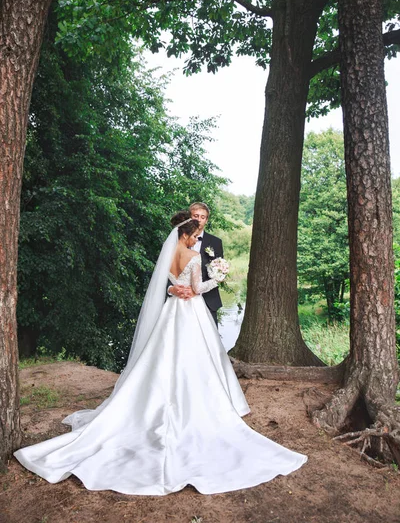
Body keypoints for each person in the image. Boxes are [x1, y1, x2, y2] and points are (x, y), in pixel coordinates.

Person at [14, 211, 307, 495]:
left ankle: (152, 398)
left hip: (171, 313)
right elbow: (196, 288)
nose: (195, 240)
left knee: (161, 354)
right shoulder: (192, 257)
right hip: (190, 313)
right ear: (185, 234)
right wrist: (216, 278)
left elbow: (168, 286)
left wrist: (173, 291)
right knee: (193, 358)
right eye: (193, 235)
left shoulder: (167, 256)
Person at [168, 202, 223, 325]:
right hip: (177, 302)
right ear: (189, 218)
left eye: (202, 217)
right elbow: (162, 273)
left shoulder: (216, 242)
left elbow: (217, 271)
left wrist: (196, 291)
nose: (199, 220)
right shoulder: (170, 245)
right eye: (195, 216)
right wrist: (171, 289)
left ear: (206, 220)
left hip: (208, 303)